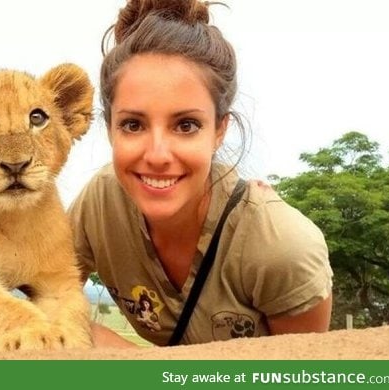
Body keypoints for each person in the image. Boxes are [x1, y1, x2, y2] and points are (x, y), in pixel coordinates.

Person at [68, 0, 333, 348]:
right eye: (133, 124)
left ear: (219, 129)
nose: (157, 155)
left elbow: (304, 373)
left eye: (186, 125)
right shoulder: (100, 204)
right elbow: (46, 304)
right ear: (109, 128)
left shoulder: (282, 248)